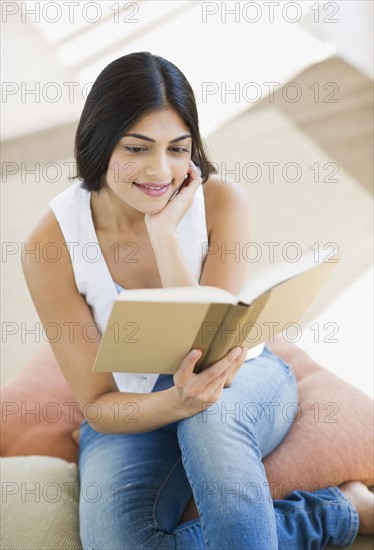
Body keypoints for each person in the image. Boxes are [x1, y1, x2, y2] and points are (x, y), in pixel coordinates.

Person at [22, 51, 373, 550]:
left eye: (177, 148)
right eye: (137, 149)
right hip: (131, 405)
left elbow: (214, 351)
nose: (160, 170)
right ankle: (333, 513)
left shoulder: (223, 202)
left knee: (210, 423)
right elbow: (99, 406)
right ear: (99, 144)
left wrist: (164, 236)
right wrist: (174, 400)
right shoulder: (50, 245)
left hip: (239, 377)